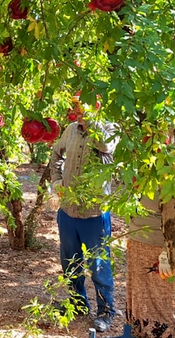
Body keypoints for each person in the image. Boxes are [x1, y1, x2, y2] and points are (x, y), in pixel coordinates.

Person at [50, 97, 120, 332]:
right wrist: (57, 182)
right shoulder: (70, 130)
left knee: (98, 265)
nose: (76, 113)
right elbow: (55, 156)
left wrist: (93, 121)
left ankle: (106, 311)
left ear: (95, 107)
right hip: (68, 210)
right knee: (70, 263)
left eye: (81, 109)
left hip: (94, 213)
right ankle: (78, 304)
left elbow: (106, 147)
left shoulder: (110, 129)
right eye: (76, 109)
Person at [126, 133, 175, 337]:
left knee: (162, 309)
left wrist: (169, 251)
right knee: (141, 302)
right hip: (139, 241)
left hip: (158, 247)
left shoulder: (170, 165)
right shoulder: (146, 161)